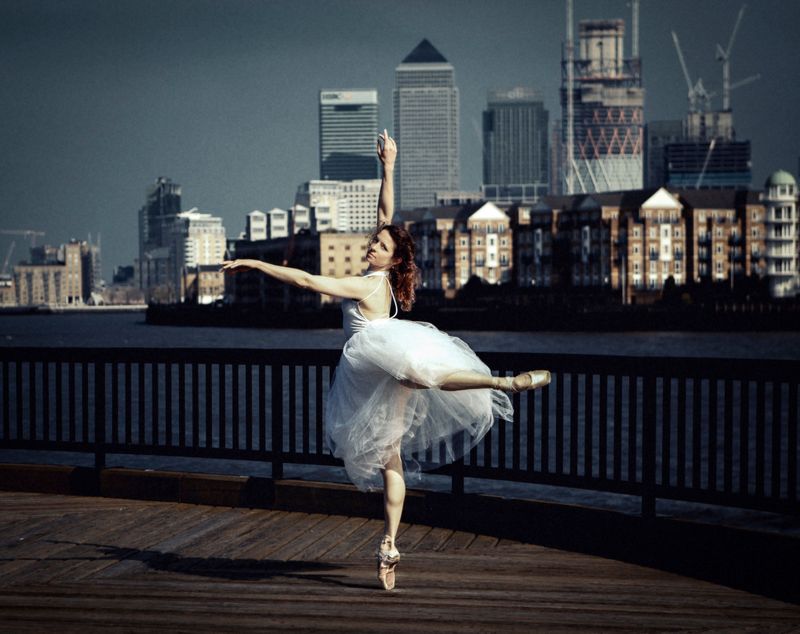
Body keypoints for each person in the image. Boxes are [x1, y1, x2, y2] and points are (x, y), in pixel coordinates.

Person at [221, 130, 550, 591]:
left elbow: (306, 281)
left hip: (372, 360)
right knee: (391, 457)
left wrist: (254, 264)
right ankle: (389, 546)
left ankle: (500, 384)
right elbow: (385, 213)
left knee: (420, 382)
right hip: (386, 361)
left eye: (379, 246)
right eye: (373, 242)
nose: (371, 245)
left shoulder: (367, 284)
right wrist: (389, 166)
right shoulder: (381, 278)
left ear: (392, 261)